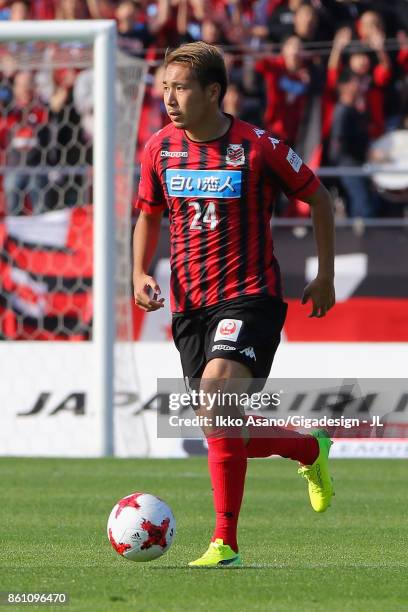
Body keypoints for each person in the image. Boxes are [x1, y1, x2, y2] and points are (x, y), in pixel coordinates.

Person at [133, 41, 336, 567]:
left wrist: (325, 276)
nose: (170, 99)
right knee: (223, 425)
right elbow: (149, 214)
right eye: (166, 89)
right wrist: (137, 272)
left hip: (251, 298)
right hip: (190, 307)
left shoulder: (258, 146)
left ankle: (226, 543)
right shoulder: (159, 148)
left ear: (213, 92)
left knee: (218, 390)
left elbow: (318, 197)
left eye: (180, 88)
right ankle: (308, 449)